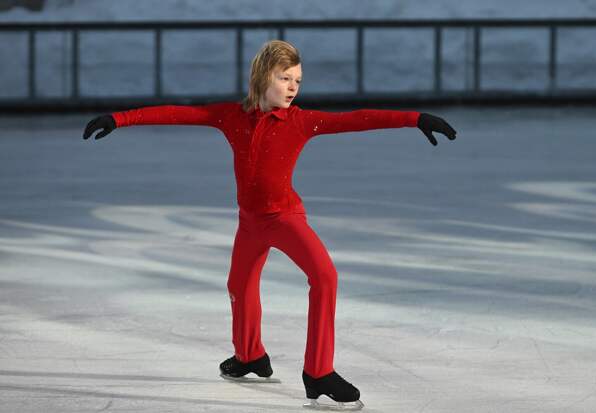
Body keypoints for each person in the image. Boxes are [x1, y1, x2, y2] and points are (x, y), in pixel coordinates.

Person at [83, 39, 457, 411]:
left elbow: (358, 118)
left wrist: (416, 119)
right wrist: (118, 119)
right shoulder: (231, 116)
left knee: (325, 277)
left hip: (284, 219)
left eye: (298, 80)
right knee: (239, 286)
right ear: (263, 77)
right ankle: (250, 356)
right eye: (285, 78)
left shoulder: (301, 121)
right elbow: (177, 113)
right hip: (249, 223)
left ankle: (319, 372)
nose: (293, 87)